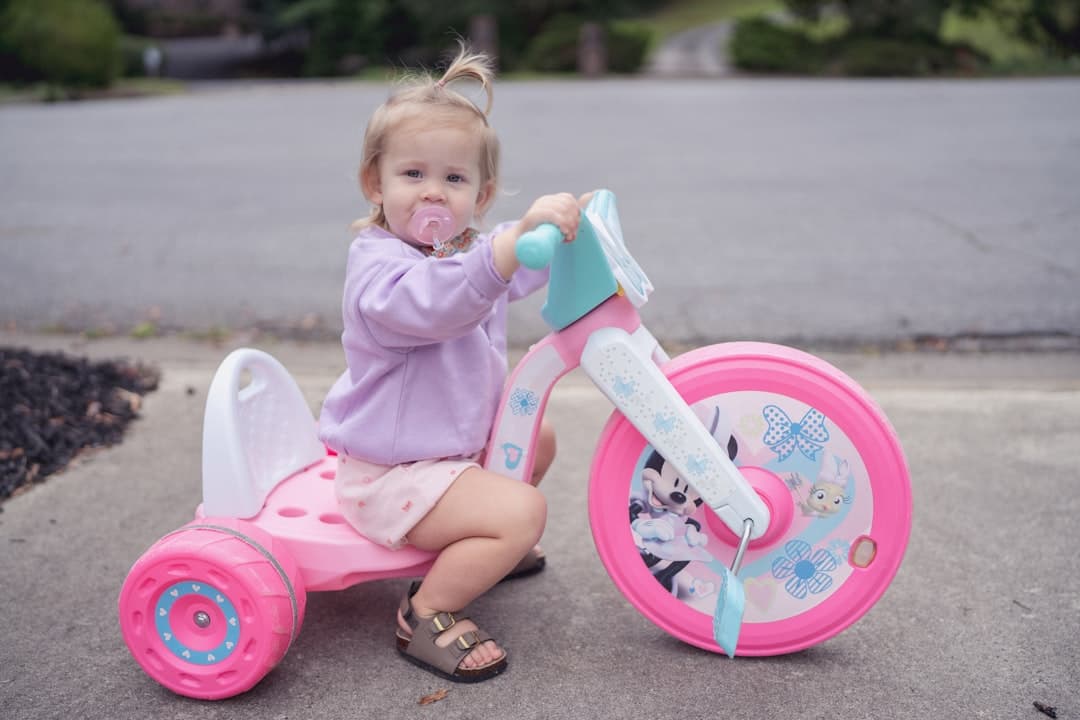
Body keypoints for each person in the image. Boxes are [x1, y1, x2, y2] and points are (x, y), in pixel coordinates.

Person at [318, 44, 591, 683]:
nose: (433, 192)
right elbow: (436, 305)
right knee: (523, 513)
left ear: (482, 193)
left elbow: (506, 276)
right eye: (412, 174)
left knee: (537, 432)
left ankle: (476, 547)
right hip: (391, 474)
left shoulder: (460, 249)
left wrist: (563, 243)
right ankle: (428, 609)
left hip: (445, 453)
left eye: (455, 179)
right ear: (374, 183)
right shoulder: (379, 268)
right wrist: (499, 252)